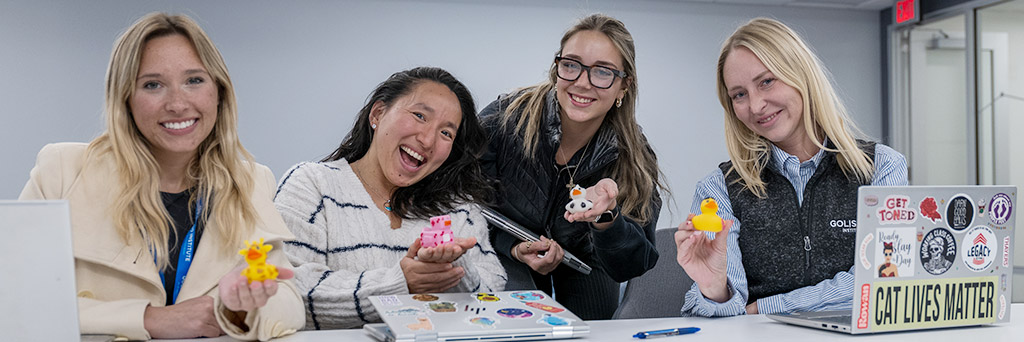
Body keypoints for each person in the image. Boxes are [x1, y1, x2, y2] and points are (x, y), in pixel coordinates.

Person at [18, 13, 303, 340]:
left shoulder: (251, 180)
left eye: (194, 80)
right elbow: (16, 296)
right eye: (153, 85)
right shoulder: (63, 170)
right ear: (125, 98)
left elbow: (289, 301)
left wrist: (237, 307)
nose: (178, 104)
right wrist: (150, 319)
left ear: (218, 91)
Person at [675, 18, 909, 317]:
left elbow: (883, 278)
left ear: (801, 75)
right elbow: (726, 316)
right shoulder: (718, 189)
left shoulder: (882, 167)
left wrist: (769, 306)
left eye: (766, 81)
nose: (756, 105)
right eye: (739, 94)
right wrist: (715, 289)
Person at [274, 67, 506, 330]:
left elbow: (493, 302)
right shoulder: (311, 183)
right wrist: (400, 283)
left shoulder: (459, 208)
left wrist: (451, 267)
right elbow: (284, 292)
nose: (428, 140)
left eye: (446, 133)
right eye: (419, 115)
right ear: (377, 114)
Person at [479, 14, 666, 320]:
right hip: (503, 247)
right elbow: (454, 199)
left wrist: (607, 219)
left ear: (624, 86)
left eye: (603, 72)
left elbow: (634, 264)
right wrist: (511, 246)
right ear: (557, 68)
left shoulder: (634, 156)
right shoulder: (506, 116)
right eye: (571, 65)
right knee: (515, 319)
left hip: (585, 261)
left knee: (594, 329)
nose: (582, 82)